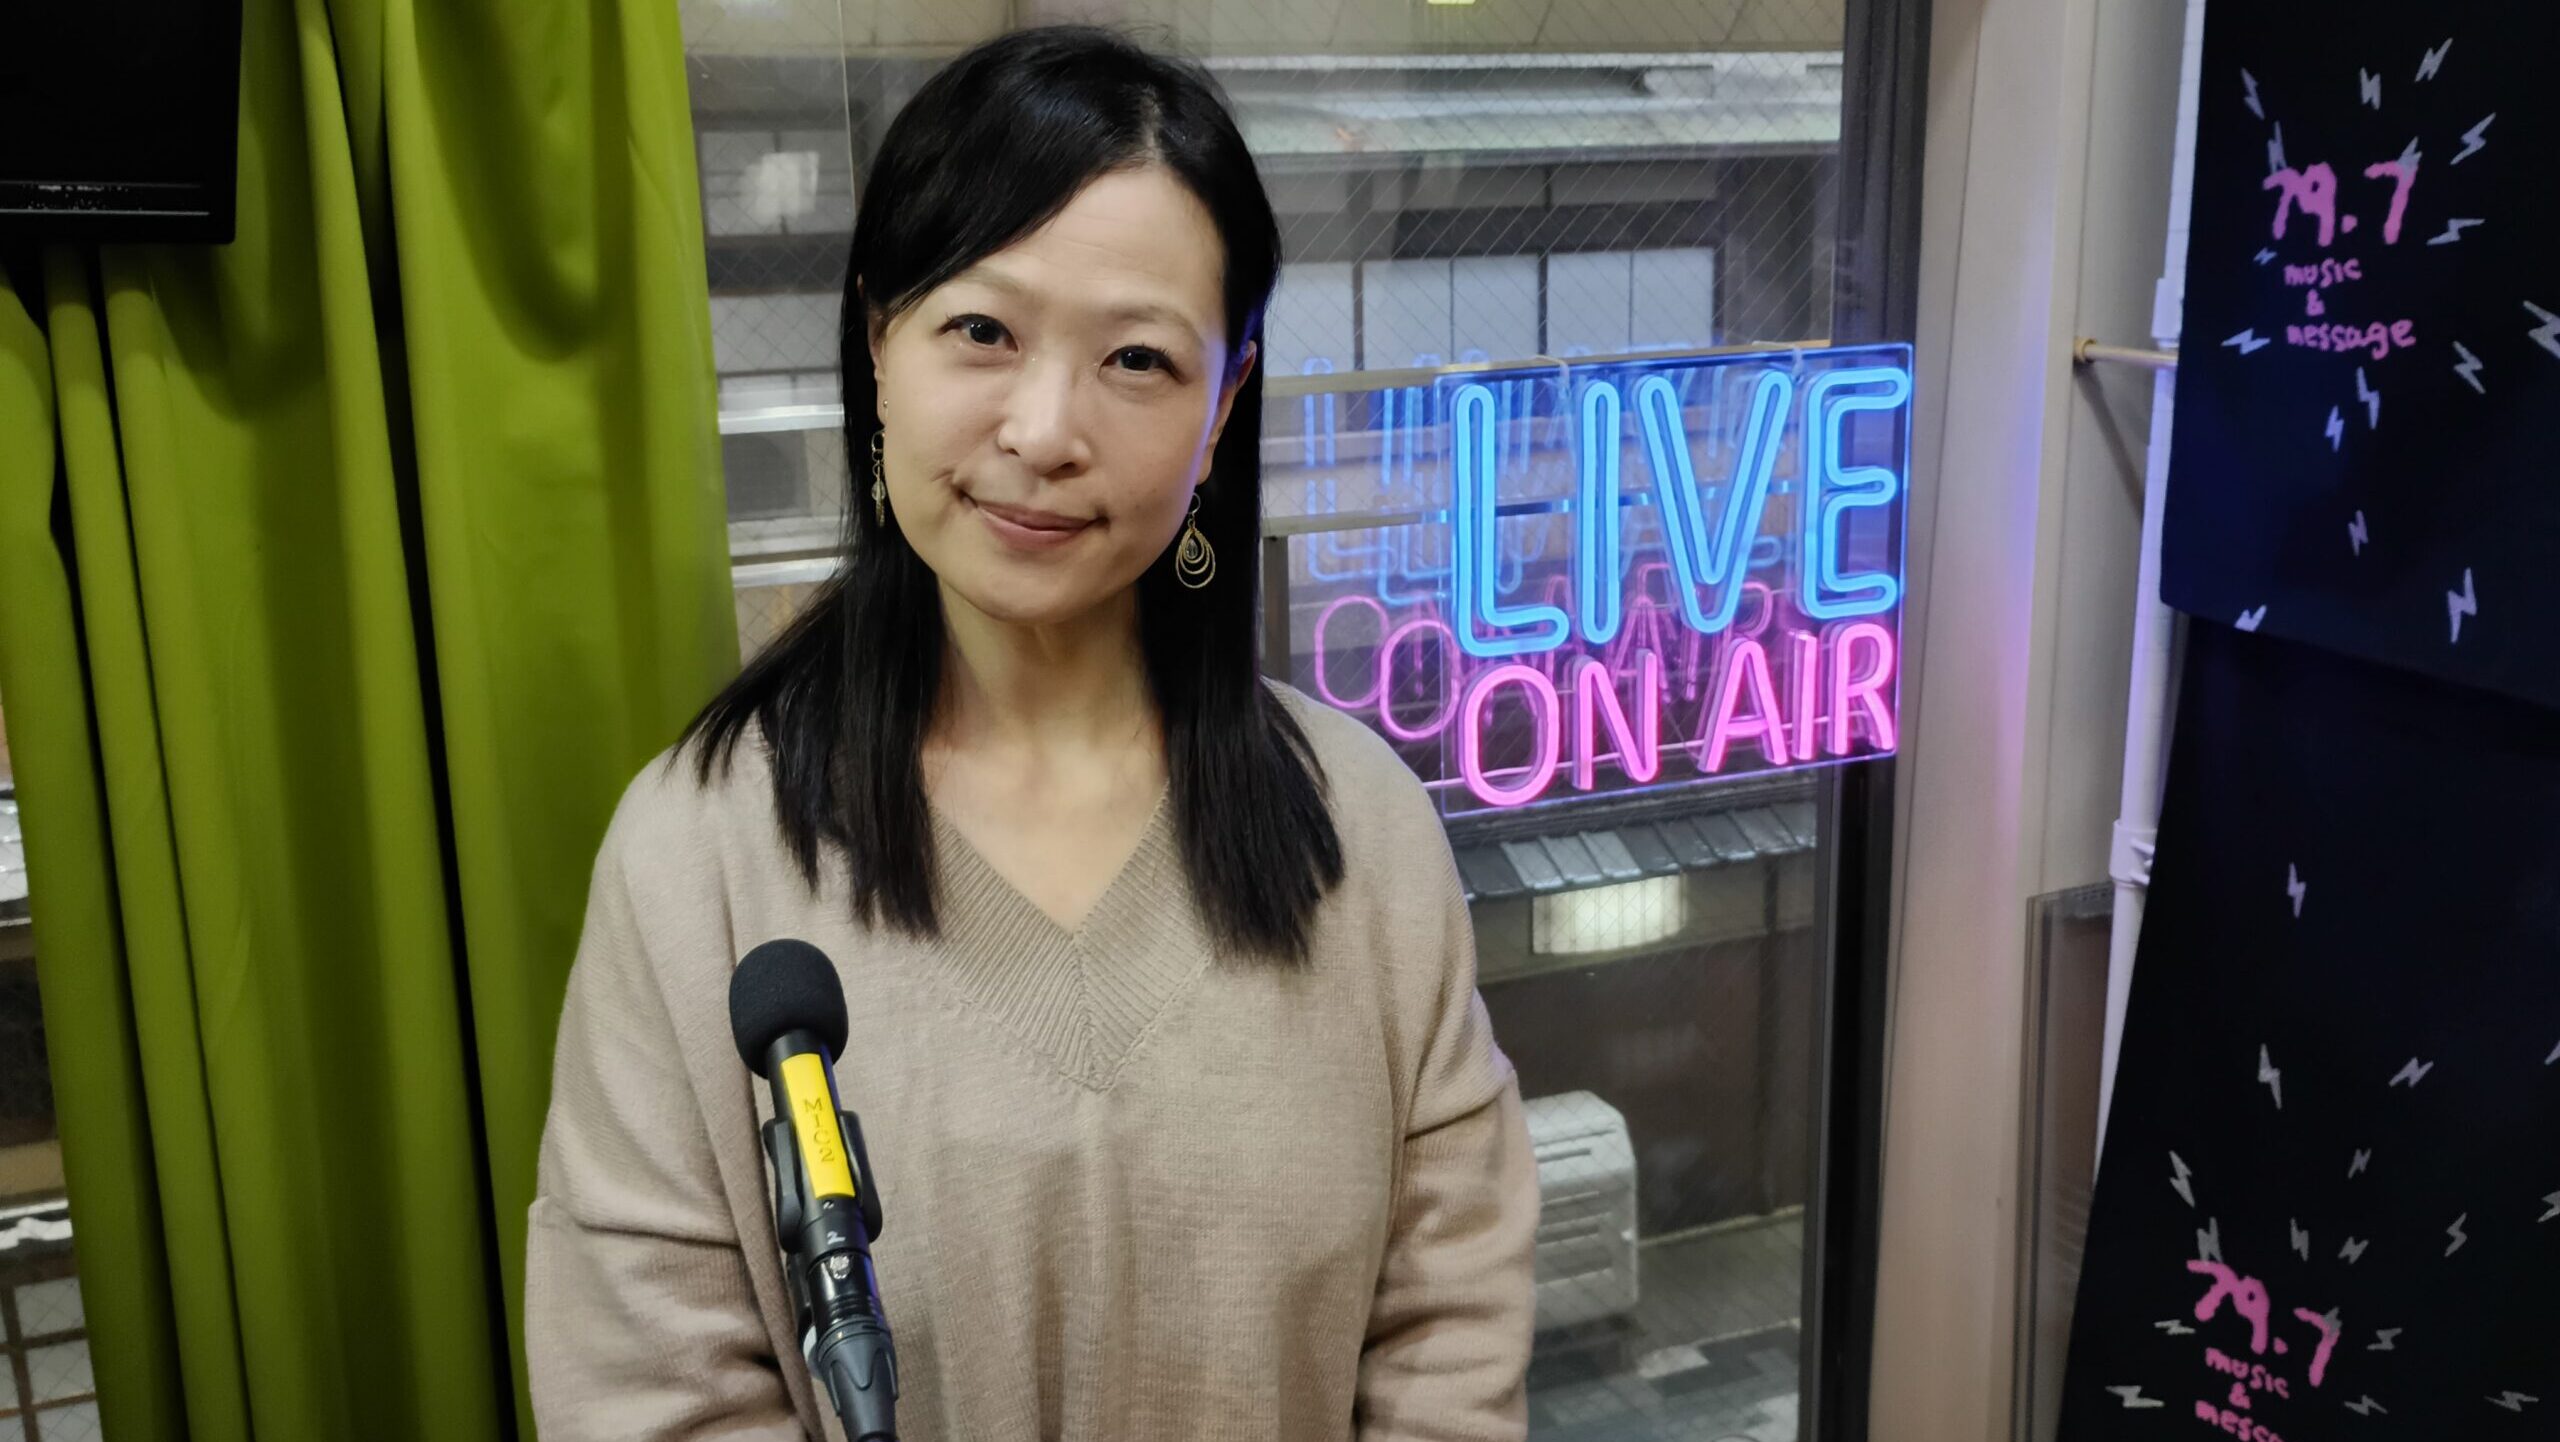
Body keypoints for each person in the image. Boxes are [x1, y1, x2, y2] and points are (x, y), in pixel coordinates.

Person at [526, 25, 1538, 1441]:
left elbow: (1449, 1342)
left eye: (1137, 358)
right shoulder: (699, 856)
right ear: (878, 340)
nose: (1047, 430)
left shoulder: (1361, 830)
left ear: (1223, 406)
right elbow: (647, 1389)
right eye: (983, 332)